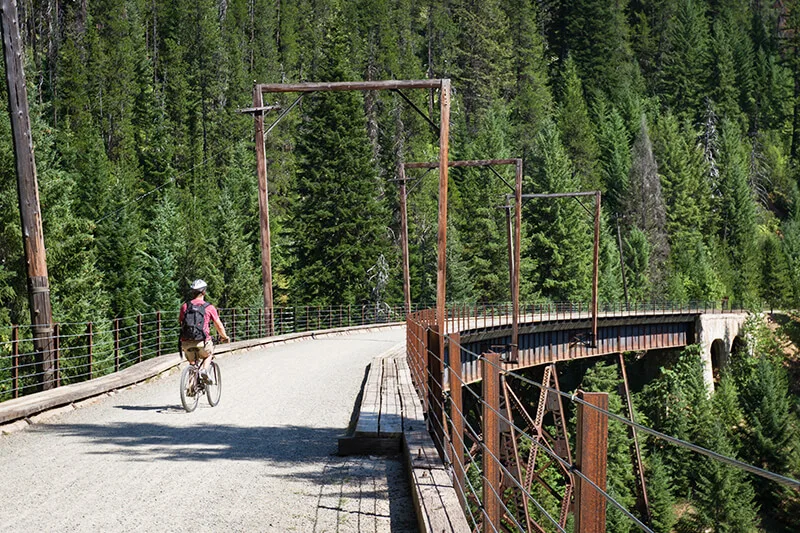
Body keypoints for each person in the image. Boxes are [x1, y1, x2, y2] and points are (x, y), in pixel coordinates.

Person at [179, 279, 229, 383]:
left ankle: (191, 385)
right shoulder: (209, 307)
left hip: (186, 342)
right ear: (204, 292)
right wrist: (224, 337)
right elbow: (218, 325)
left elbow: (181, 322)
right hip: (202, 342)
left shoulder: (185, 306)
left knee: (192, 362)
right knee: (209, 354)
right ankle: (205, 370)